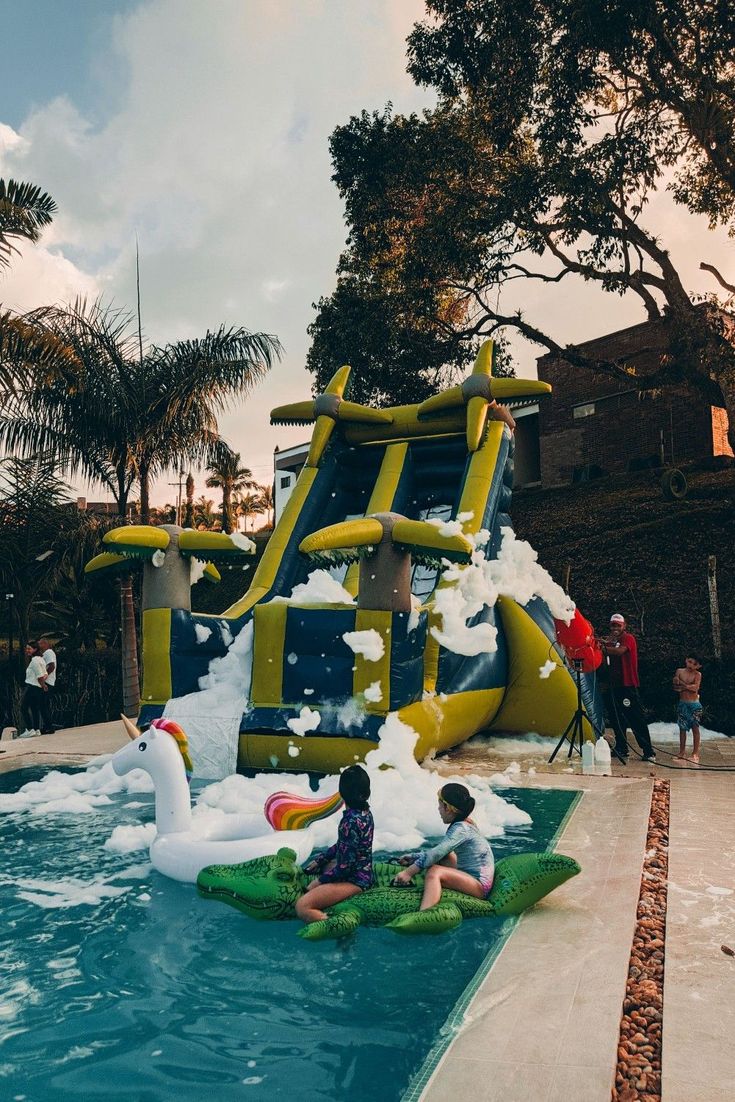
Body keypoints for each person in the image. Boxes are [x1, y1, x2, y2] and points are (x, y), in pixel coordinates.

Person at [391, 782, 495, 908]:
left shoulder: (460, 829)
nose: (438, 809)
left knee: (435, 872)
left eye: (440, 806)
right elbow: (440, 852)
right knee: (448, 855)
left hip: (480, 886)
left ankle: (425, 914)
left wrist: (409, 872)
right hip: (472, 877)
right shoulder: (466, 823)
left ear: (447, 808)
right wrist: (414, 857)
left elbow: (437, 853)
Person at [296, 765, 374, 925]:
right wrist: (321, 860)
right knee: (327, 866)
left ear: (342, 794)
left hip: (355, 882)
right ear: (366, 792)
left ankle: (336, 925)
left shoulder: (349, 822)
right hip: (362, 873)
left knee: (302, 906)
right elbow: (343, 845)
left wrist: (318, 882)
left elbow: (345, 868)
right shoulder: (366, 812)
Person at [600, 613, 656, 764]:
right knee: (616, 718)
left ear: (624, 626)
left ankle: (648, 751)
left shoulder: (628, 638)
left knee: (635, 718)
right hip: (614, 686)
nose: (615, 628)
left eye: (618, 625)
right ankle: (621, 748)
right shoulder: (611, 641)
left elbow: (619, 652)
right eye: (613, 625)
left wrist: (600, 647)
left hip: (627, 685)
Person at [673, 655, 703, 764]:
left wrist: (683, 685)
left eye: (695, 664)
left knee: (695, 727)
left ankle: (695, 752)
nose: (691, 665)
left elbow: (695, 688)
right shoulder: (679, 671)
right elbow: (676, 687)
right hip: (683, 704)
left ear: (699, 666)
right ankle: (682, 751)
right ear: (686, 660)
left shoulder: (697, 674)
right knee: (682, 728)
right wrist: (685, 685)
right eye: (690, 662)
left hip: (694, 705)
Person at [19, 641, 48, 738]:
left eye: (29, 649)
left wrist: (43, 684)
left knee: (23, 708)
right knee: (34, 709)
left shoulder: (35, 661)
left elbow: (40, 676)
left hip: (32, 687)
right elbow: (45, 674)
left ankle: (29, 729)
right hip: (38, 688)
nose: (27, 650)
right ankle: (36, 729)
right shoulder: (41, 659)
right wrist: (42, 685)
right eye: (27, 648)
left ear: (35, 649)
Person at [37, 636, 57, 734]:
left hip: (48, 682)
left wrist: (44, 677)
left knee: (43, 705)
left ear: (45, 644)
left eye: (40, 643)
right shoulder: (45, 654)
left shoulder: (48, 653)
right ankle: (47, 725)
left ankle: (49, 726)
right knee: (43, 705)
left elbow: (52, 666)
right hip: (48, 682)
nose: (39, 645)